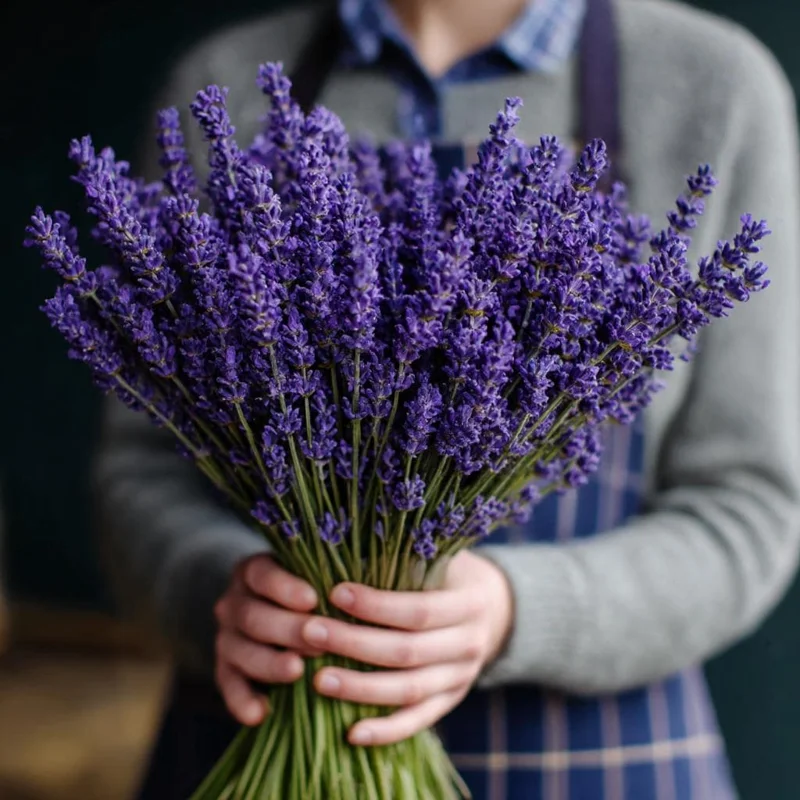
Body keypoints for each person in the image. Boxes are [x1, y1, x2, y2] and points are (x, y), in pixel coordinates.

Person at [94, 0, 800, 797]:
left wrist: (518, 610)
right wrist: (217, 588)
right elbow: (144, 464)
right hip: (274, 728)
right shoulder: (225, 83)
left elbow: (748, 506)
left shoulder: (714, 85)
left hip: (598, 759)